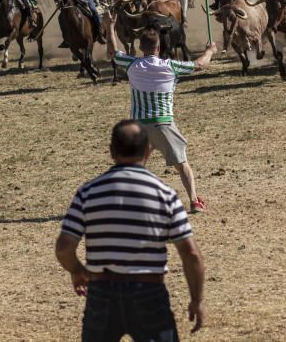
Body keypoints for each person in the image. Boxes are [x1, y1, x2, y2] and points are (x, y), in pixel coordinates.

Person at [55, 121, 206, 341]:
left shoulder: (88, 192)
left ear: (111, 151)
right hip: (148, 292)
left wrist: (77, 270)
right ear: (147, 151)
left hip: (102, 292)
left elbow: (64, 247)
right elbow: (191, 254)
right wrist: (197, 299)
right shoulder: (164, 194)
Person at [113, 29, 217, 212]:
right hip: (163, 124)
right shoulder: (170, 66)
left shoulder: (132, 65)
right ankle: (194, 201)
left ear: (140, 47)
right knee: (181, 163)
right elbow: (200, 64)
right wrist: (210, 51)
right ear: (159, 47)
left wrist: (109, 28)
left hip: (138, 126)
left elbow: (113, 54)